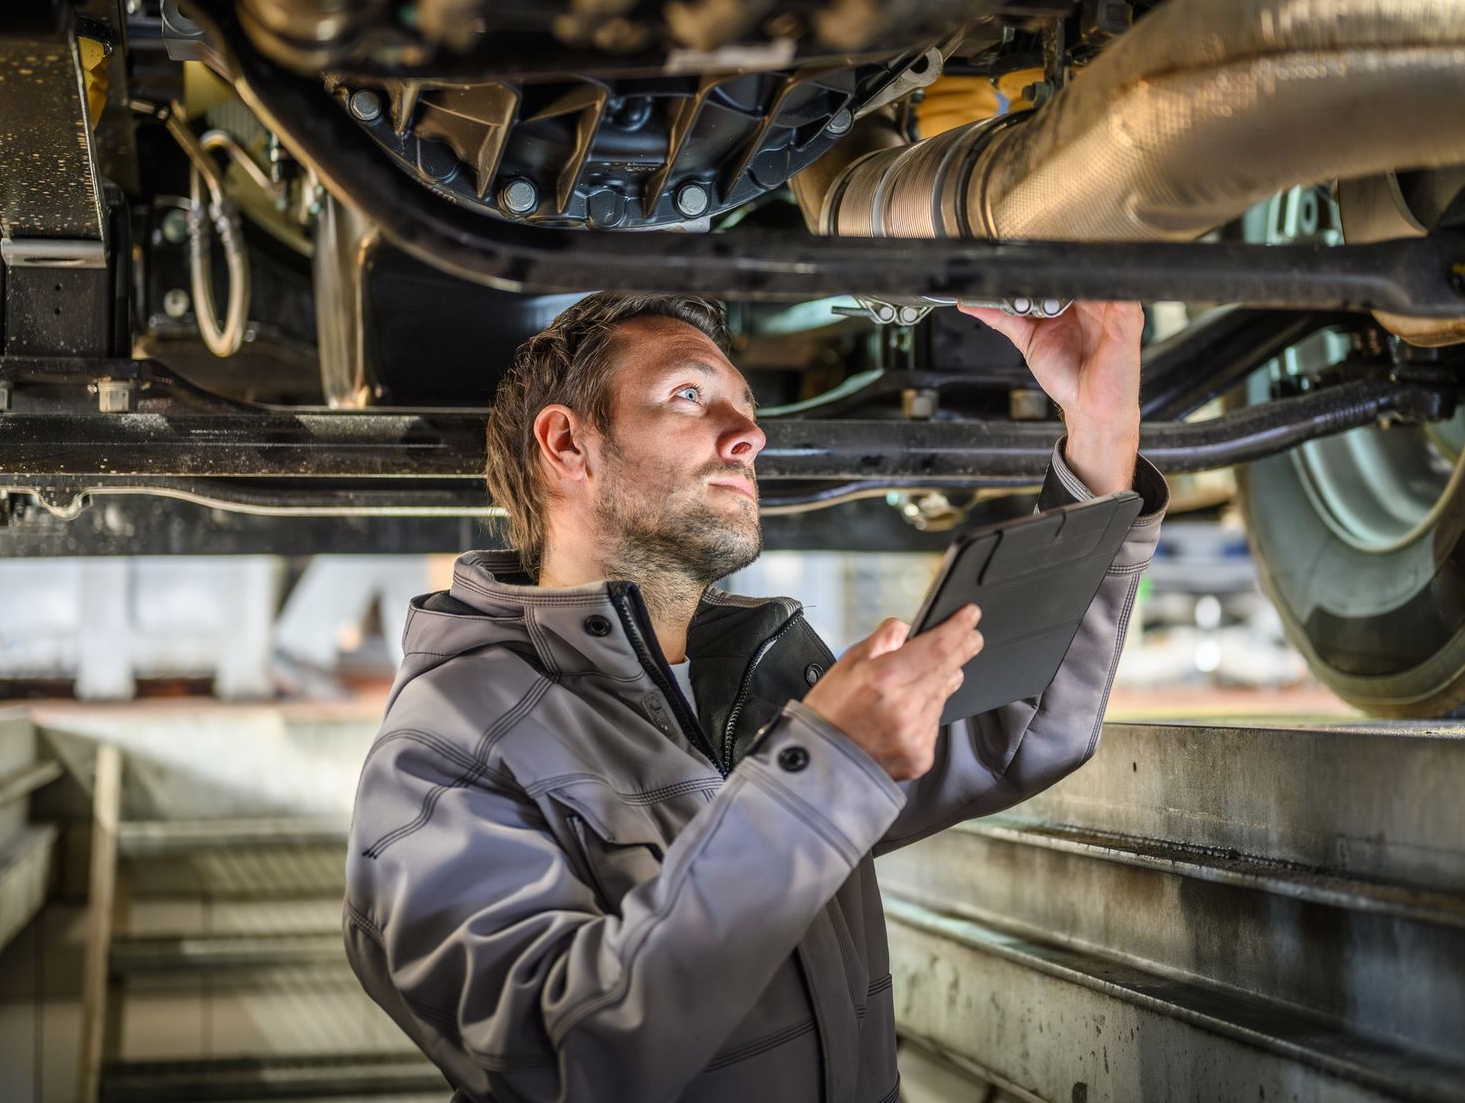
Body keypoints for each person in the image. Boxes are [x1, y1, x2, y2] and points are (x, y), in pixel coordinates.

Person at [344, 292, 1167, 1102]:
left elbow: (1016, 728)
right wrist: (824, 771)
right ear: (566, 444)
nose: (750, 436)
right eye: (690, 395)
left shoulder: (754, 674)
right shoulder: (448, 742)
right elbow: (564, 1055)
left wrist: (1100, 432)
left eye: (746, 405)